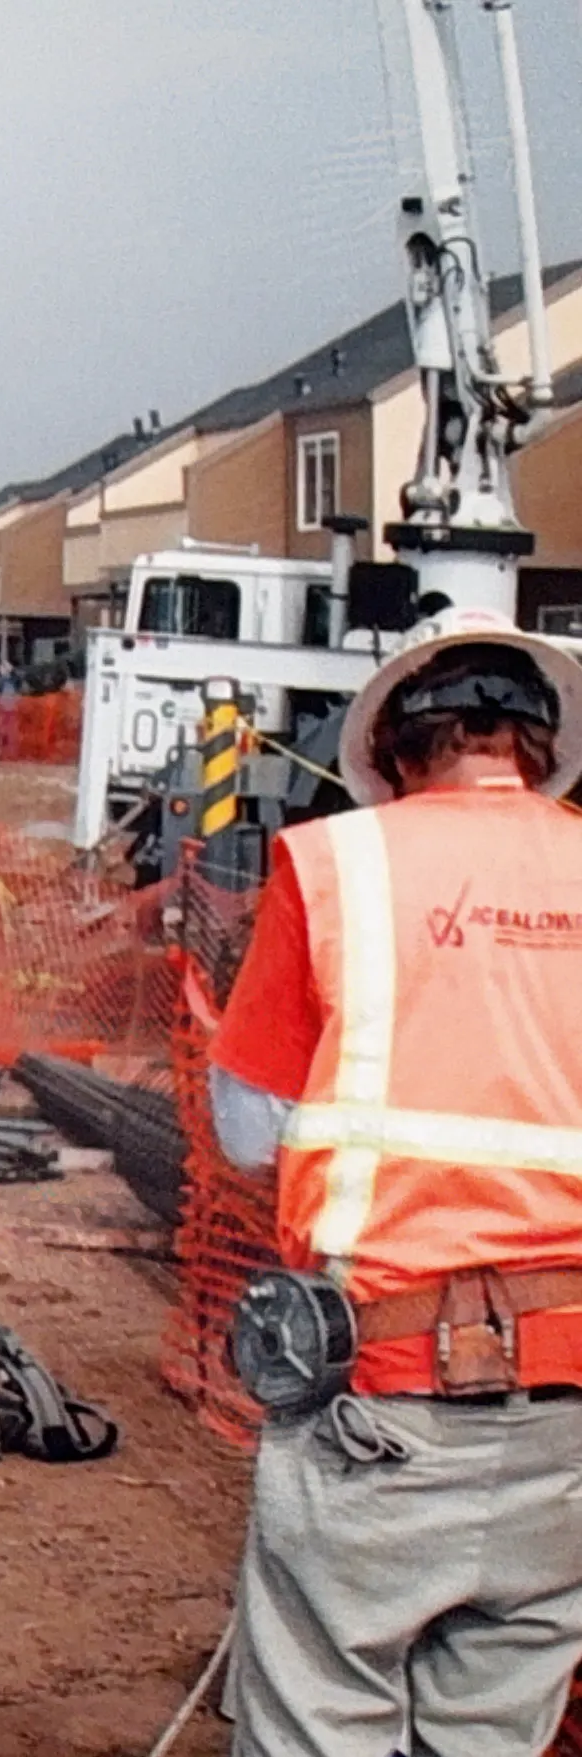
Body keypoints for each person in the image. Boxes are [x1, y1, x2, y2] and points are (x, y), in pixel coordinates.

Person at [204, 612, 582, 1757]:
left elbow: (242, 1126)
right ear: (534, 741)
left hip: (381, 1393)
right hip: (568, 1418)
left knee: (318, 1711)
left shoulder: (339, 863)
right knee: (489, 1729)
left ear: (392, 748)